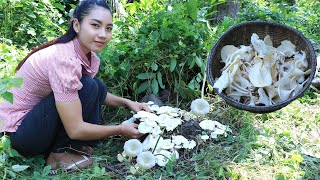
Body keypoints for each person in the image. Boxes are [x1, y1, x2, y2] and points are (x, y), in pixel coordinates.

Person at [0, 0, 149, 171]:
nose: (103, 34)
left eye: (108, 28)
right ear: (76, 25)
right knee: (87, 85)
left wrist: (128, 102)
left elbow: (95, 91)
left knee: (94, 85)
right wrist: (120, 130)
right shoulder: (64, 60)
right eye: (95, 25)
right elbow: (75, 129)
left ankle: (77, 147)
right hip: (18, 133)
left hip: (35, 122)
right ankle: (58, 156)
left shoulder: (82, 53)